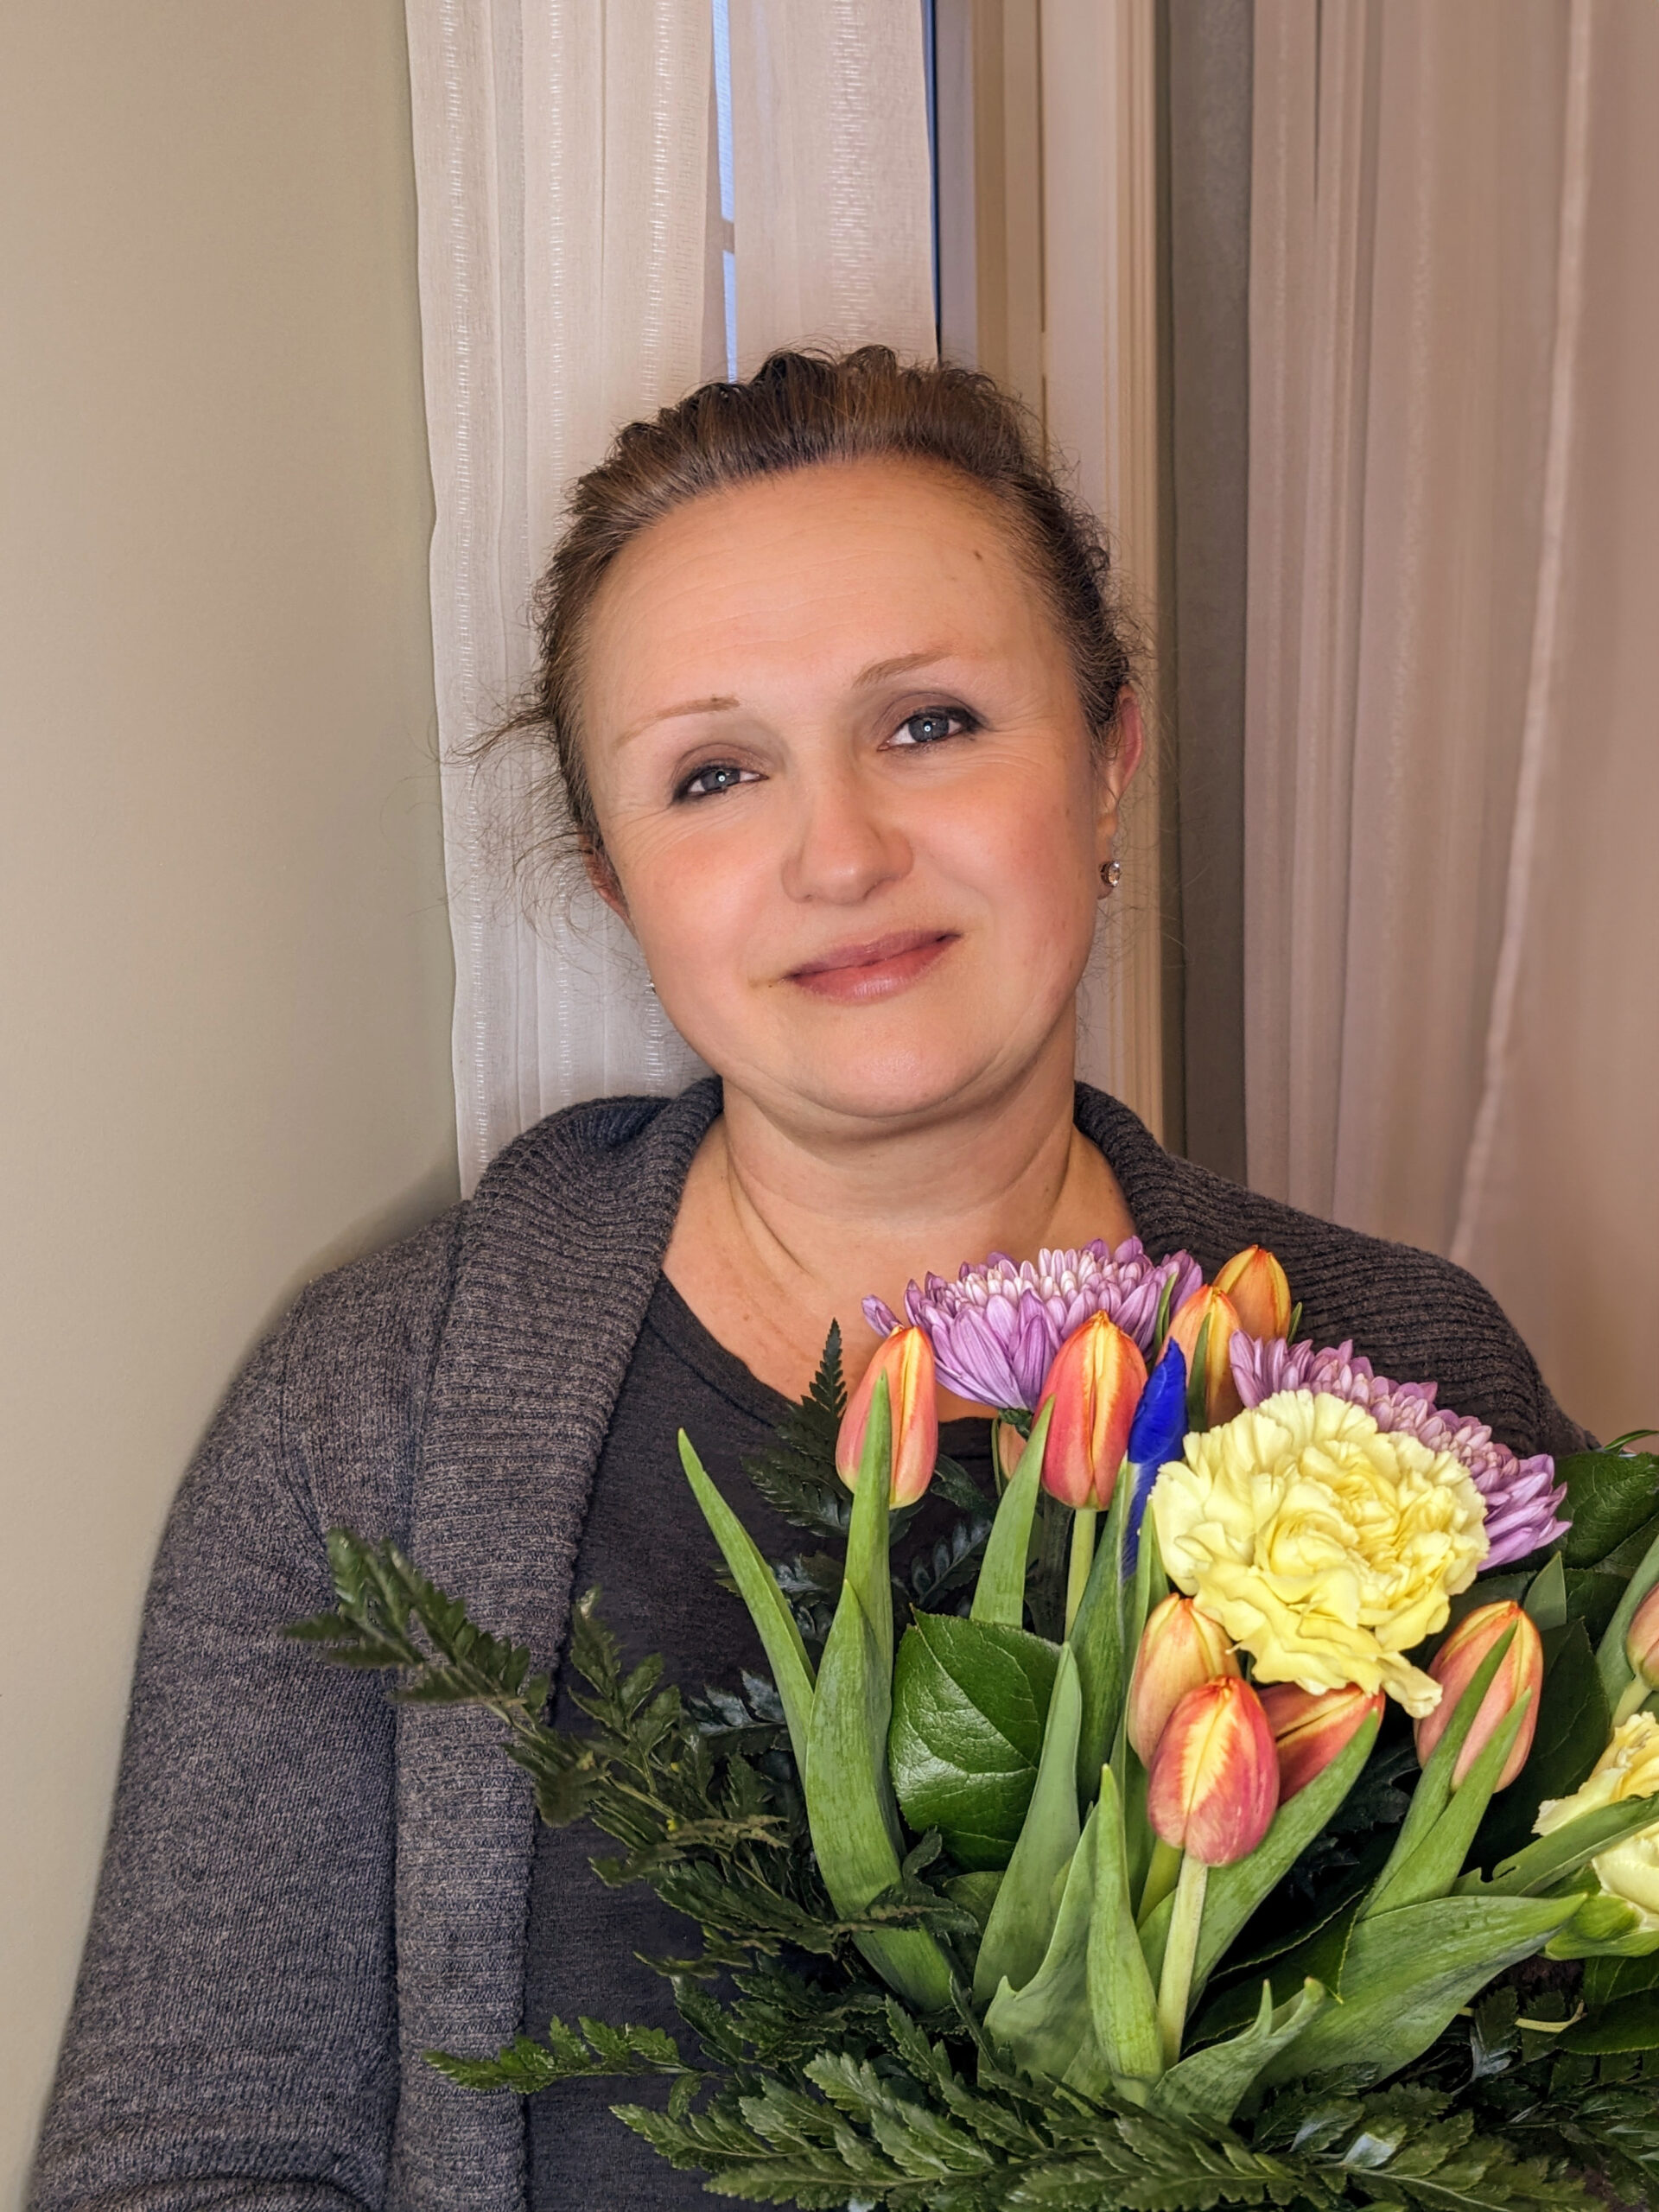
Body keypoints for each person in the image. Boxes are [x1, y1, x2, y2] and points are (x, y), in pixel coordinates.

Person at [29, 349, 1586, 2212]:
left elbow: (1577, 2084)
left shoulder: (1411, 1375)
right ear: (618, 880)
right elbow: (193, 2157)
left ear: (1108, 759)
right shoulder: (370, 1415)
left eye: (930, 723)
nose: (838, 850)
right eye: (715, 771)